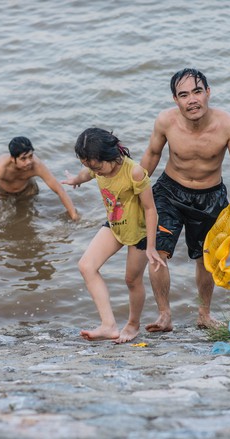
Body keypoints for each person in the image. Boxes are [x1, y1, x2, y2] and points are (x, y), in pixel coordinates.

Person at [140, 68, 230, 332]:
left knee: (205, 258)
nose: (192, 100)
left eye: (197, 91)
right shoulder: (165, 121)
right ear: (175, 99)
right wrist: (134, 188)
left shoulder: (229, 124)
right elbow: (152, 155)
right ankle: (164, 315)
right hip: (169, 191)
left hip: (210, 196)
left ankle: (204, 314)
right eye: (183, 95)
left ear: (208, 93)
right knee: (158, 252)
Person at [62, 128, 166, 343]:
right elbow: (87, 174)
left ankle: (133, 325)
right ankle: (108, 325)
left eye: (97, 167)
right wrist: (75, 179)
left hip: (139, 232)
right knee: (86, 266)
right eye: (89, 166)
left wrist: (151, 247)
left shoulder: (134, 172)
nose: (95, 172)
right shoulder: (96, 166)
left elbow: (150, 209)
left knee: (131, 280)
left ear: (110, 156)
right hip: (115, 224)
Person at [0, 136, 79, 224]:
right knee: (4, 220)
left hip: (27, 190)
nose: (28, 162)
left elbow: (59, 190)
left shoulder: (36, 165)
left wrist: (73, 215)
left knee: (27, 217)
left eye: (31, 156)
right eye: (23, 158)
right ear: (13, 159)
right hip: (3, 193)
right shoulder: (1, 168)